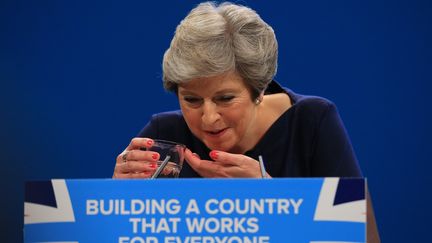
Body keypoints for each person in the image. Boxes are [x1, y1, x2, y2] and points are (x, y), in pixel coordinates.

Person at [112, 2, 380, 241]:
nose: (208, 117)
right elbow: (113, 233)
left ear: (259, 89)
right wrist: (114, 201)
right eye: (192, 100)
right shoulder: (164, 134)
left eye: (225, 98)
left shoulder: (312, 121)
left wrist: (273, 199)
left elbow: (363, 238)